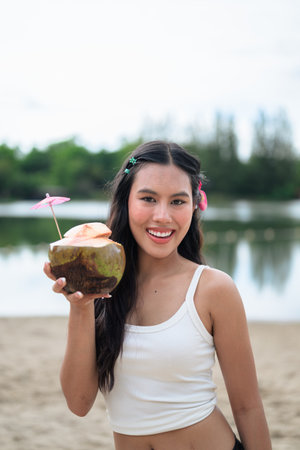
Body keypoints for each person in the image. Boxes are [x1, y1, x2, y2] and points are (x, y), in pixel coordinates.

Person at [44, 140, 272, 450]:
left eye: (177, 201)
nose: (162, 216)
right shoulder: (103, 288)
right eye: (148, 198)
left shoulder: (214, 289)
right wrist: (81, 307)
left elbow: (248, 407)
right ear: (125, 201)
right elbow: (78, 403)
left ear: (195, 205)